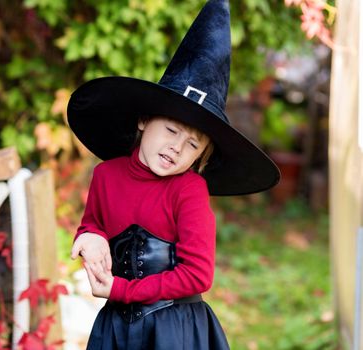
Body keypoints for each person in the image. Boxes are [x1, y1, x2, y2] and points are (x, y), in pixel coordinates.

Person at [67, 0, 280, 349]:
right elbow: (93, 223)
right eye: (170, 130)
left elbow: (198, 274)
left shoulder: (189, 189)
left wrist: (124, 289)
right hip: (116, 328)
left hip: (173, 330)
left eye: (193, 144)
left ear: (201, 157)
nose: (177, 148)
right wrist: (88, 237)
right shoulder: (106, 175)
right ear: (143, 120)